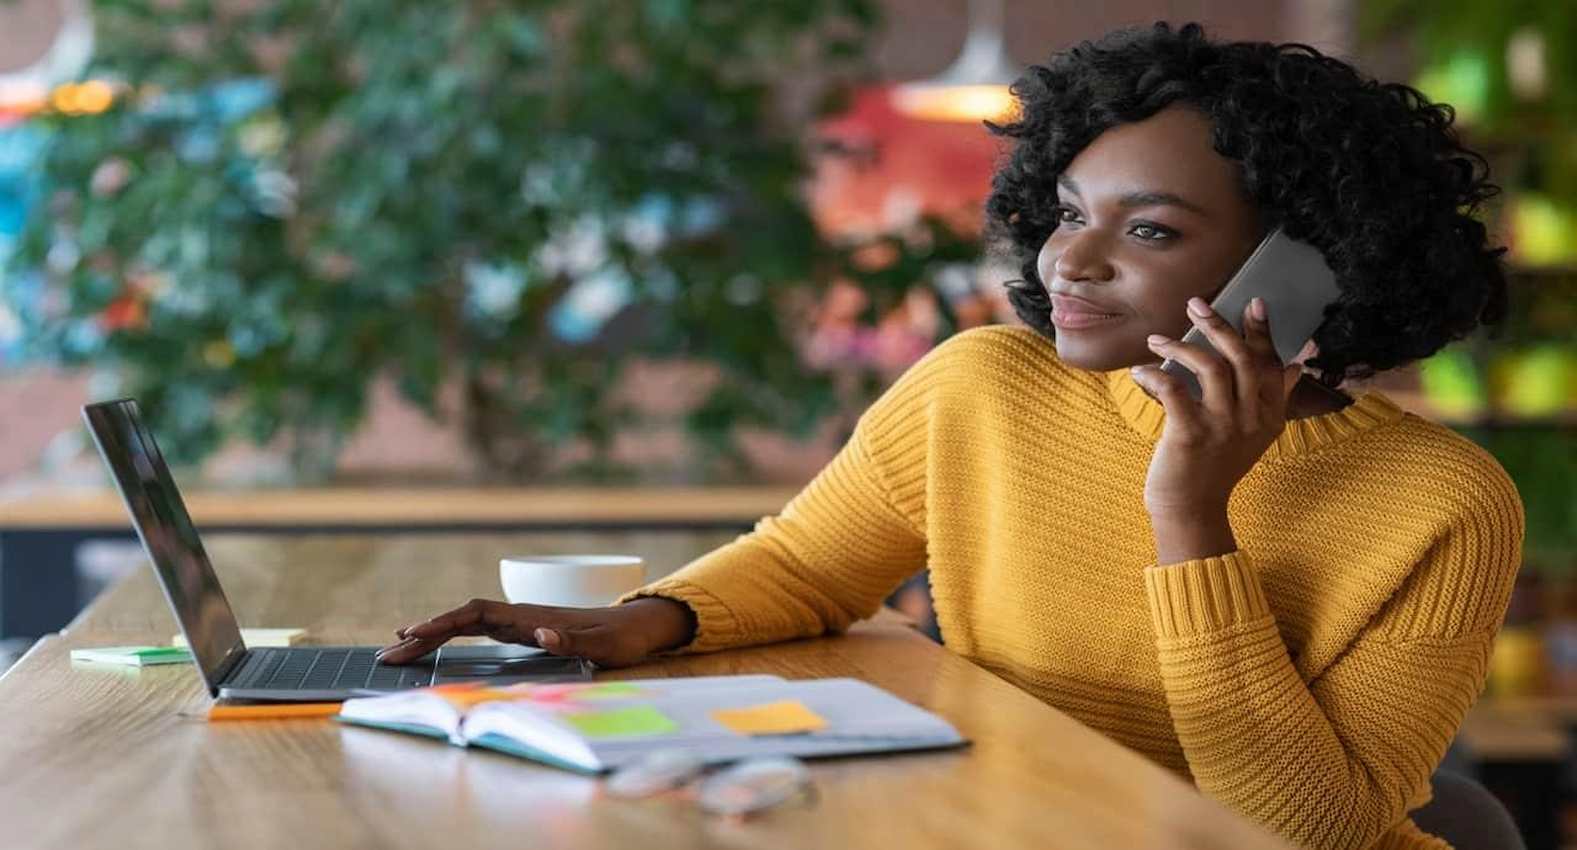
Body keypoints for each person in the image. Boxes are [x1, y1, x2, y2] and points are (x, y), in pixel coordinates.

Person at [379, 22, 1523, 850]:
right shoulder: (982, 387)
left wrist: (1189, 517)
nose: (1066, 262)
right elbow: (803, 561)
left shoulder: (1441, 502)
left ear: (1309, 265)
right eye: (1068, 213)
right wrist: (645, 621)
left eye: (1150, 230)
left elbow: (1303, 829)